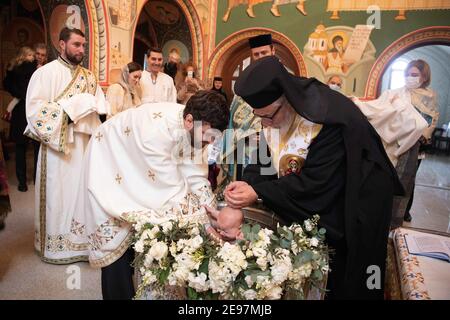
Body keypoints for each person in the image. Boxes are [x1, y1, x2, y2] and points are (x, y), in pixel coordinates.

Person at [224, 56, 402, 300]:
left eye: (268, 116)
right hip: (315, 189)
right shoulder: (274, 115)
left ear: (286, 98)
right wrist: (249, 183)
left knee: (348, 272)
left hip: (354, 198)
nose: (265, 124)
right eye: (259, 117)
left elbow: (317, 184)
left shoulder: (329, 118)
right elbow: (263, 162)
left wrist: (259, 193)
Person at [69, 90, 229, 299]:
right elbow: (171, 191)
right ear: (189, 121)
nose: (210, 144)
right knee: (117, 241)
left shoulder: (197, 129)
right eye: (207, 138)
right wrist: (205, 225)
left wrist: (213, 212)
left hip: (144, 165)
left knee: (155, 230)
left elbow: (195, 176)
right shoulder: (156, 133)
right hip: (109, 160)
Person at [24, 27, 107, 264]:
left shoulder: (90, 77)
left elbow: (102, 108)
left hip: (84, 145)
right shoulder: (45, 74)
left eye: (83, 45)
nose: (81, 49)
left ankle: (80, 244)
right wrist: (72, 109)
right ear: (62, 44)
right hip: (58, 147)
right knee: (58, 194)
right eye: (76, 45)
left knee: (81, 194)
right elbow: (35, 113)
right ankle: (56, 247)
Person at [354, 60, 438, 226]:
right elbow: (381, 109)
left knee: (407, 180)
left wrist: (423, 133)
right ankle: (381, 210)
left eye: (414, 75)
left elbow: (432, 119)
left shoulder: (430, 96)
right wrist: (358, 103)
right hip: (396, 141)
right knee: (386, 177)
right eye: (407, 74)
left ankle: (400, 214)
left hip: (416, 145)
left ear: (424, 76)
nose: (409, 77)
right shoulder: (397, 93)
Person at [220, 34, 274, 183]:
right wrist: (245, 136)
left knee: (266, 190)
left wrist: (267, 138)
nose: (261, 57)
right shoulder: (244, 87)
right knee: (242, 189)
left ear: (272, 52)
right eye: (256, 54)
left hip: (272, 150)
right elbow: (231, 124)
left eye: (264, 53)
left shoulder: (284, 84)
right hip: (245, 151)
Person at [3, 46, 37, 192]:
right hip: (33, 108)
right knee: (36, 147)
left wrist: (19, 95)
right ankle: (36, 179)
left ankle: (22, 183)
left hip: (19, 110)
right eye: (31, 54)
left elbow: (7, 84)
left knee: (20, 148)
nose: (33, 57)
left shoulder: (12, 69)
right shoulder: (33, 68)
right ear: (25, 55)